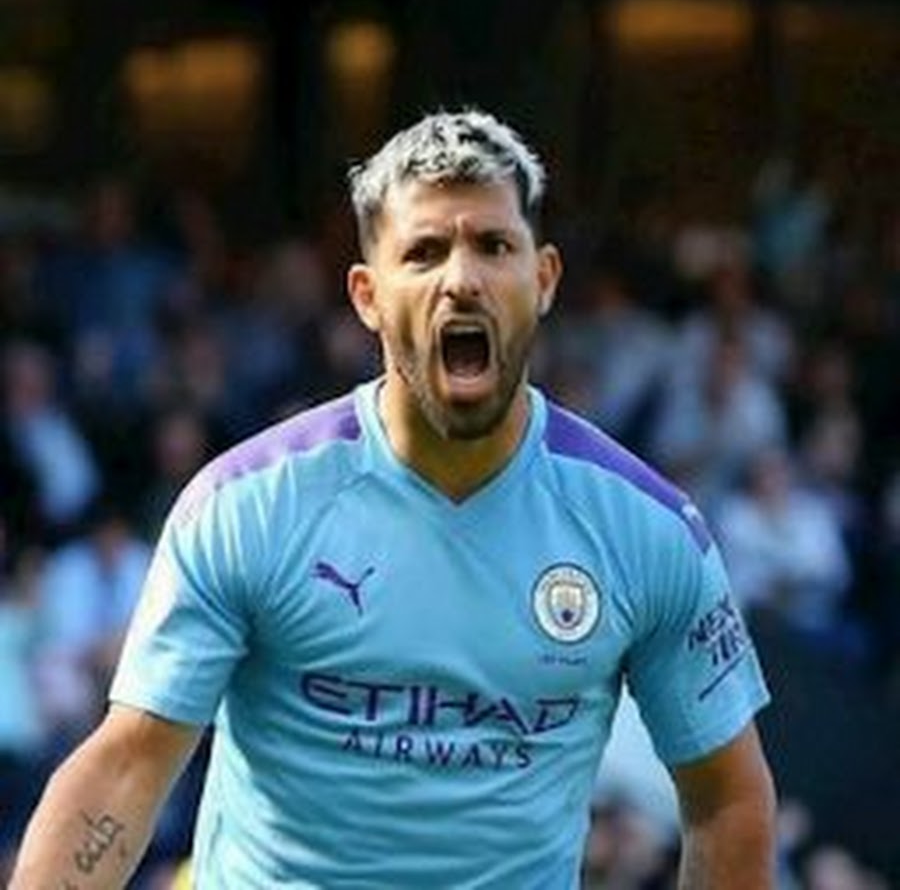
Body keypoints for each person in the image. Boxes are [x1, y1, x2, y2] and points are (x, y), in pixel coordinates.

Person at [10, 108, 777, 888]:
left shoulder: (647, 530)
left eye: (493, 246)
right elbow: (127, 768)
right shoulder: (248, 506)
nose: (461, 279)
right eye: (424, 251)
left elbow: (729, 801)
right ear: (367, 295)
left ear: (544, 280)